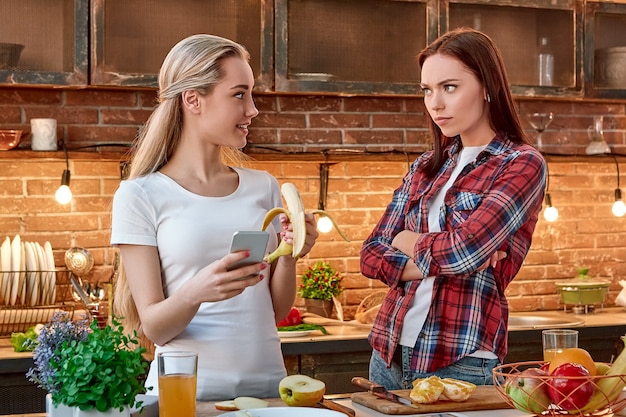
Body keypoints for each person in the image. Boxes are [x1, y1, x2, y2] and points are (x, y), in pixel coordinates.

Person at [110, 34, 319, 401]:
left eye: (251, 94)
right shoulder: (140, 195)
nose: (252, 109)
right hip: (186, 397)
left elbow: (272, 312)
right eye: (239, 94)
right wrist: (196, 291)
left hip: (269, 392)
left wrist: (289, 255)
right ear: (193, 99)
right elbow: (155, 328)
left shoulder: (263, 187)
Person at [360, 27, 546, 390]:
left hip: (460, 358)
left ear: (487, 86)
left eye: (449, 87)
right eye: (427, 90)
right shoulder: (426, 166)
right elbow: (369, 254)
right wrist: (443, 255)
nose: (435, 104)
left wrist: (405, 238)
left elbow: (465, 250)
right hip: (387, 353)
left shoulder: (521, 164)